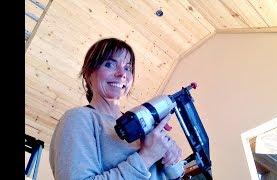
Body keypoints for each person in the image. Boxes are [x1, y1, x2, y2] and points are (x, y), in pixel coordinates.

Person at [49, 38, 182, 180]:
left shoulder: (141, 121)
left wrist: (170, 157)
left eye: (127, 68)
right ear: (88, 73)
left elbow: (175, 174)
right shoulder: (78, 118)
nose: (121, 73)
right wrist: (147, 157)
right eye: (109, 64)